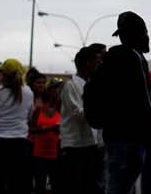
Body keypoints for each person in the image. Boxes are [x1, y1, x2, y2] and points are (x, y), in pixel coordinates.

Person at [88, 11, 151, 194]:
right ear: (138, 34)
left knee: (116, 186)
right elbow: (145, 103)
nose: (147, 36)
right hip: (130, 141)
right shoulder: (133, 58)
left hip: (114, 138)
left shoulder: (111, 60)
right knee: (120, 187)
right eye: (145, 32)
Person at [0, 57, 34, 194]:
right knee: (16, 186)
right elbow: (29, 117)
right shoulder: (28, 92)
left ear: (3, 75)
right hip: (19, 144)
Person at [61, 45, 105, 194]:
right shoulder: (71, 85)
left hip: (90, 144)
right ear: (88, 63)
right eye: (97, 62)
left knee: (89, 187)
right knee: (74, 186)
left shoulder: (92, 85)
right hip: (74, 146)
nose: (100, 65)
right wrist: (104, 110)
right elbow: (78, 114)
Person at [30, 82, 62, 194]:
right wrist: (48, 129)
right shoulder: (39, 109)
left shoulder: (62, 110)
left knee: (56, 186)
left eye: (59, 89)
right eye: (55, 89)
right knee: (39, 186)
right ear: (49, 91)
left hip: (57, 154)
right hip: (39, 154)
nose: (57, 92)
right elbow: (30, 129)